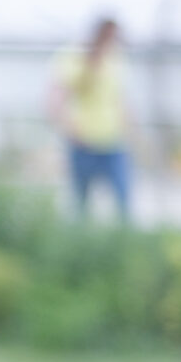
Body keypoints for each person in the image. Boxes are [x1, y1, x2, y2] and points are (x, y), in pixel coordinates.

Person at [51, 15, 133, 221]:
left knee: (123, 199)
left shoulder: (115, 58)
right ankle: (81, 246)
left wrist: (130, 129)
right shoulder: (74, 56)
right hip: (83, 142)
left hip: (113, 141)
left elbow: (119, 98)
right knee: (81, 202)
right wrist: (69, 127)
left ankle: (123, 242)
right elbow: (59, 96)